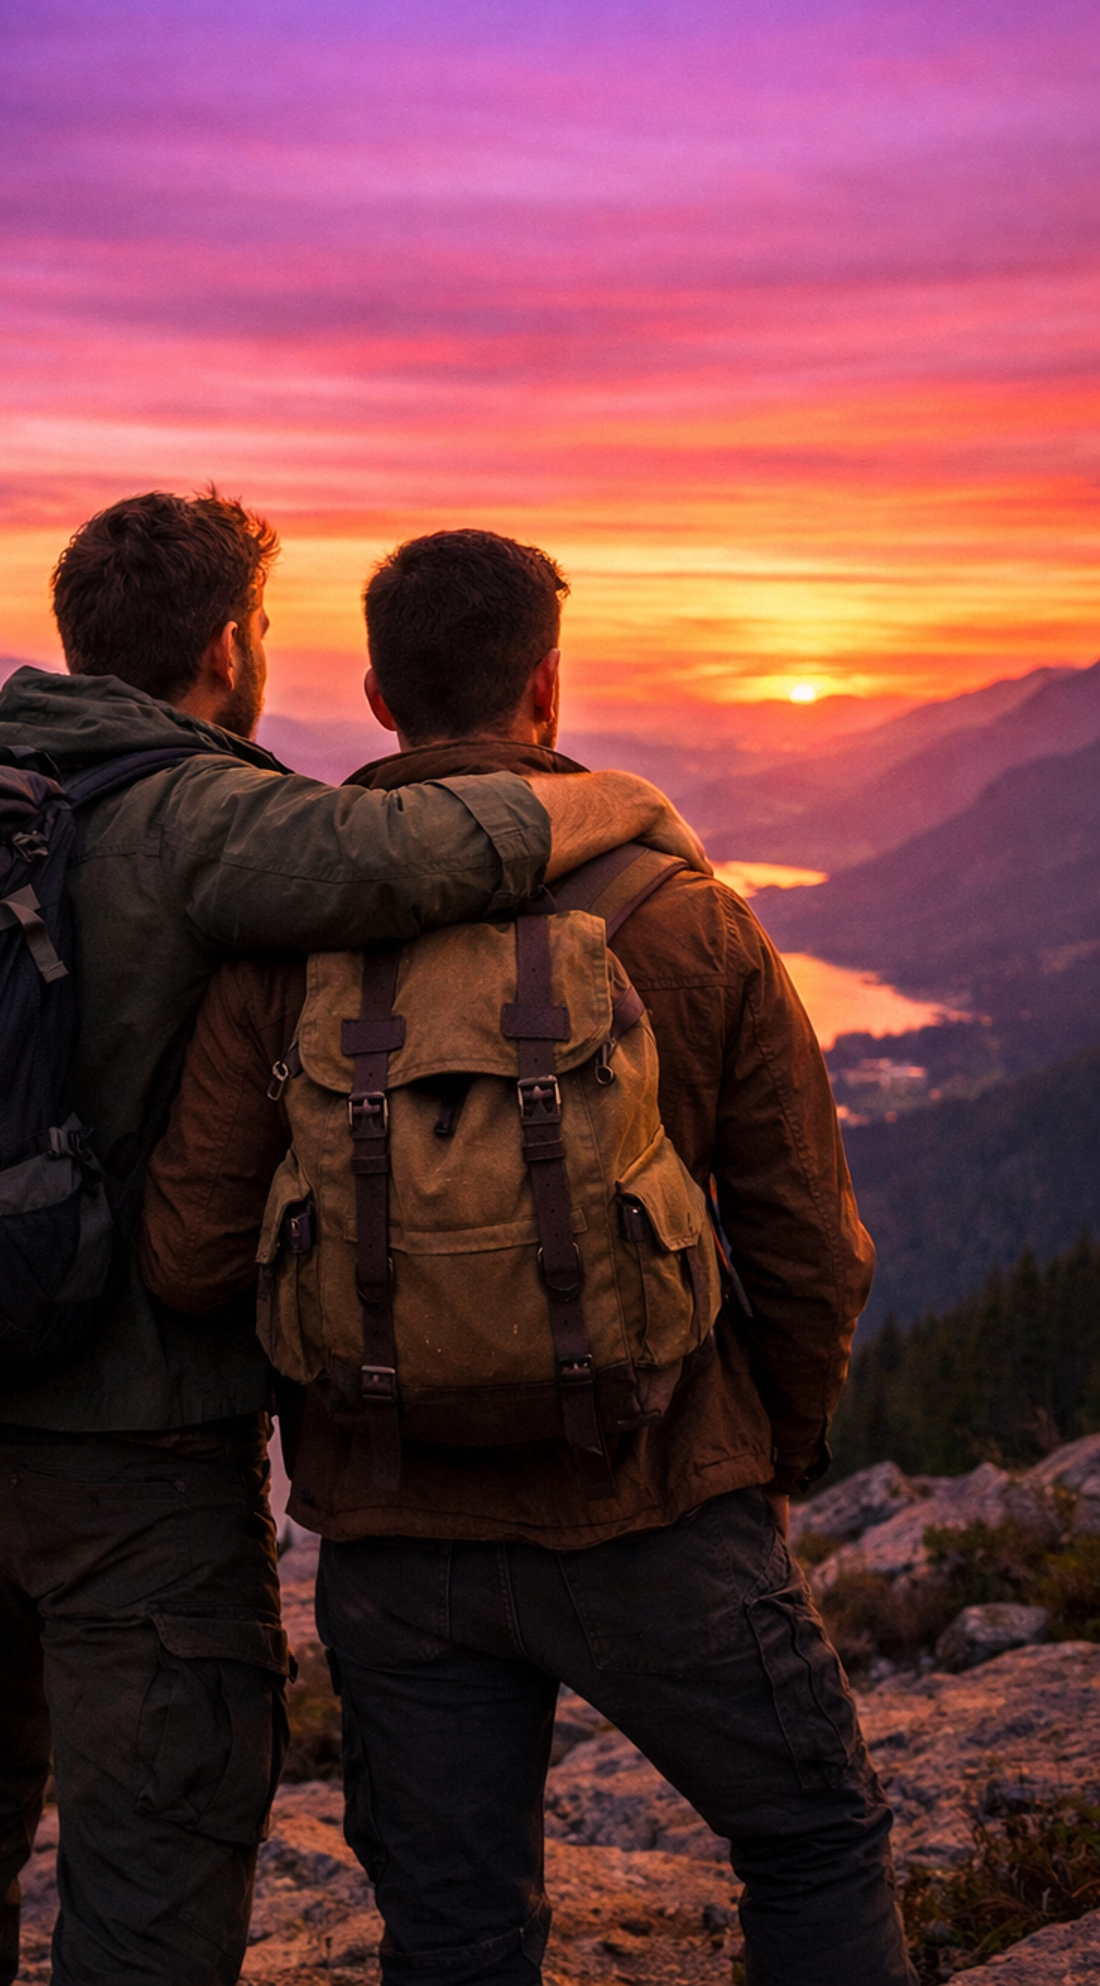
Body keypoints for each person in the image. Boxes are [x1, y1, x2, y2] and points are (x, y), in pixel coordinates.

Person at [0, 491, 709, 1986]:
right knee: (154, 1851)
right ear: (229, 647)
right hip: (128, 1457)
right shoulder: (200, 817)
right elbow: (429, 850)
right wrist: (623, 801)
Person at [141, 527, 913, 1986]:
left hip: (396, 1541)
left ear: (379, 698)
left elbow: (189, 1257)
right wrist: (771, 1456)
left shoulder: (281, 949)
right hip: (656, 1505)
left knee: (458, 1933)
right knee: (812, 1841)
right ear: (547, 685)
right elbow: (811, 1248)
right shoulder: (686, 920)